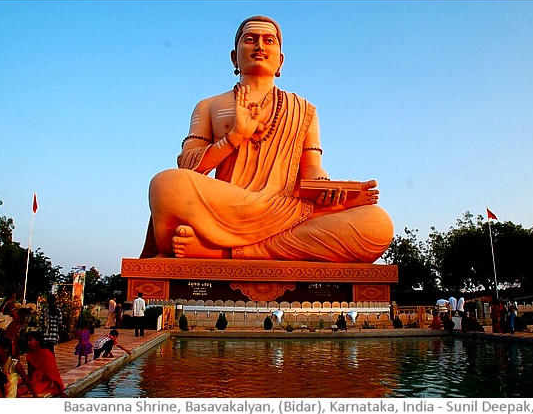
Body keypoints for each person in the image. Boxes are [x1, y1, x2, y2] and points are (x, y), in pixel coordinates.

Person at [139, 15, 393, 263]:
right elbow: (189, 166)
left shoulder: (304, 109)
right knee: (166, 184)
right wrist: (235, 137)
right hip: (226, 205)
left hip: (285, 208)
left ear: (280, 61)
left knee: (377, 224)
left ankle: (225, 252)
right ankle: (248, 246)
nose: (260, 46)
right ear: (234, 57)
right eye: (250, 39)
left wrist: (325, 189)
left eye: (269, 40)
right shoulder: (209, 106)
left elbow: (312, 166)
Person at [20, 331, 67, 397]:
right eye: (27, 341)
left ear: (38, 341)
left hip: (44, 380)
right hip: (34, 378)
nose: (28, 343)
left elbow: (53, 373)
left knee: (31, 389)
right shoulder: (29, 355)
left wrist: (61, 392)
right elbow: (30, 373)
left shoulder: (46, 354)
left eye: (31, 340)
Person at [0, 291, 21, 358]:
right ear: (13, 295)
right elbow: (16, 316)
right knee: (11, 342)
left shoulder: (5, 303)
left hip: (4, 326)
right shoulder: (10, 304)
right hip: (10, 327)